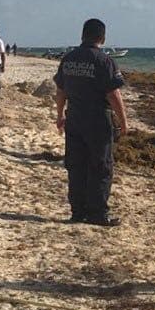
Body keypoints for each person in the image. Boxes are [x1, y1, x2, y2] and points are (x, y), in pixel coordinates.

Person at [54, 18, 129, 226]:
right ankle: (97, 213)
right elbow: (113, 94)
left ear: (82, 35)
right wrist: (123, 122)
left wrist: (60, 115)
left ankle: (78, 211)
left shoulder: (68, 59)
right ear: (102, 38)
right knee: (100, 166)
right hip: (97, 119)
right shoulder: (104, 61)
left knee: (76, 165)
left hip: (74, 117)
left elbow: (61, 90)